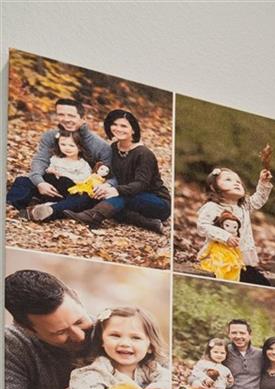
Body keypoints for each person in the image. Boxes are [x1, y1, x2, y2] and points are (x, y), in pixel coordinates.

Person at [4, 269, 135, 389]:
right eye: (60, 332)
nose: (79, 336)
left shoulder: (110, 329)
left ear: (76, 297)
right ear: (27, 329)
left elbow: (156, 379)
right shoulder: (13, 344)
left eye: (79, 321)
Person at [36, 109, 169, 235]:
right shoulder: (114, 148)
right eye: (114, 125)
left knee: (120, 197)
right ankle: (148, 223)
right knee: (104, 199)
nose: (118, 129)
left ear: (133, 129)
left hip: (156, 201)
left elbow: (141, 184)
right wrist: (103, 186)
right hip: (127, 198)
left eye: (124, 126)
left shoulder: (144, 153)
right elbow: (107, 172)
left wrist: (115, 190)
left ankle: (91, 216)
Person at [5, 98, 112, 215]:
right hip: (51, 184)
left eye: (71, 115)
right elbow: (41, 160)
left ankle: (49, 211)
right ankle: (10, 206)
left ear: (83, 118)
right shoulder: (51, 136)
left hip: (76, 190)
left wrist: (101, 186)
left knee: (85, 199)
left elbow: (110, 174)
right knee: (23, 181)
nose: (66, 119)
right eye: (61, 114)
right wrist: (40, 183)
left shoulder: (100, 146)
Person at [195, 165, 273, 285]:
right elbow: (203, 225)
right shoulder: (213, 207)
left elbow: (258, 200)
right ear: (213, 187)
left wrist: (263, 182)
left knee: (263, 283)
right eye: (228, 180)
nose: (236, 183)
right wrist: (225, 237)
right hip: (220, 258)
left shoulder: (244, 207)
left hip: (241, 261)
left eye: (238, 182)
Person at [196, 211, 245, 282]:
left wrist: (240, 261)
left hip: (231, 258)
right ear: (221, 225)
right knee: (220, 266)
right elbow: (208, 247)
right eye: (227, 226)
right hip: (218, 256)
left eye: (235, 227)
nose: (231, 230)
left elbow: (238, 251)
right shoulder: (217, 239)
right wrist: (201, 256)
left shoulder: (234, 241)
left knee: (235, 268)